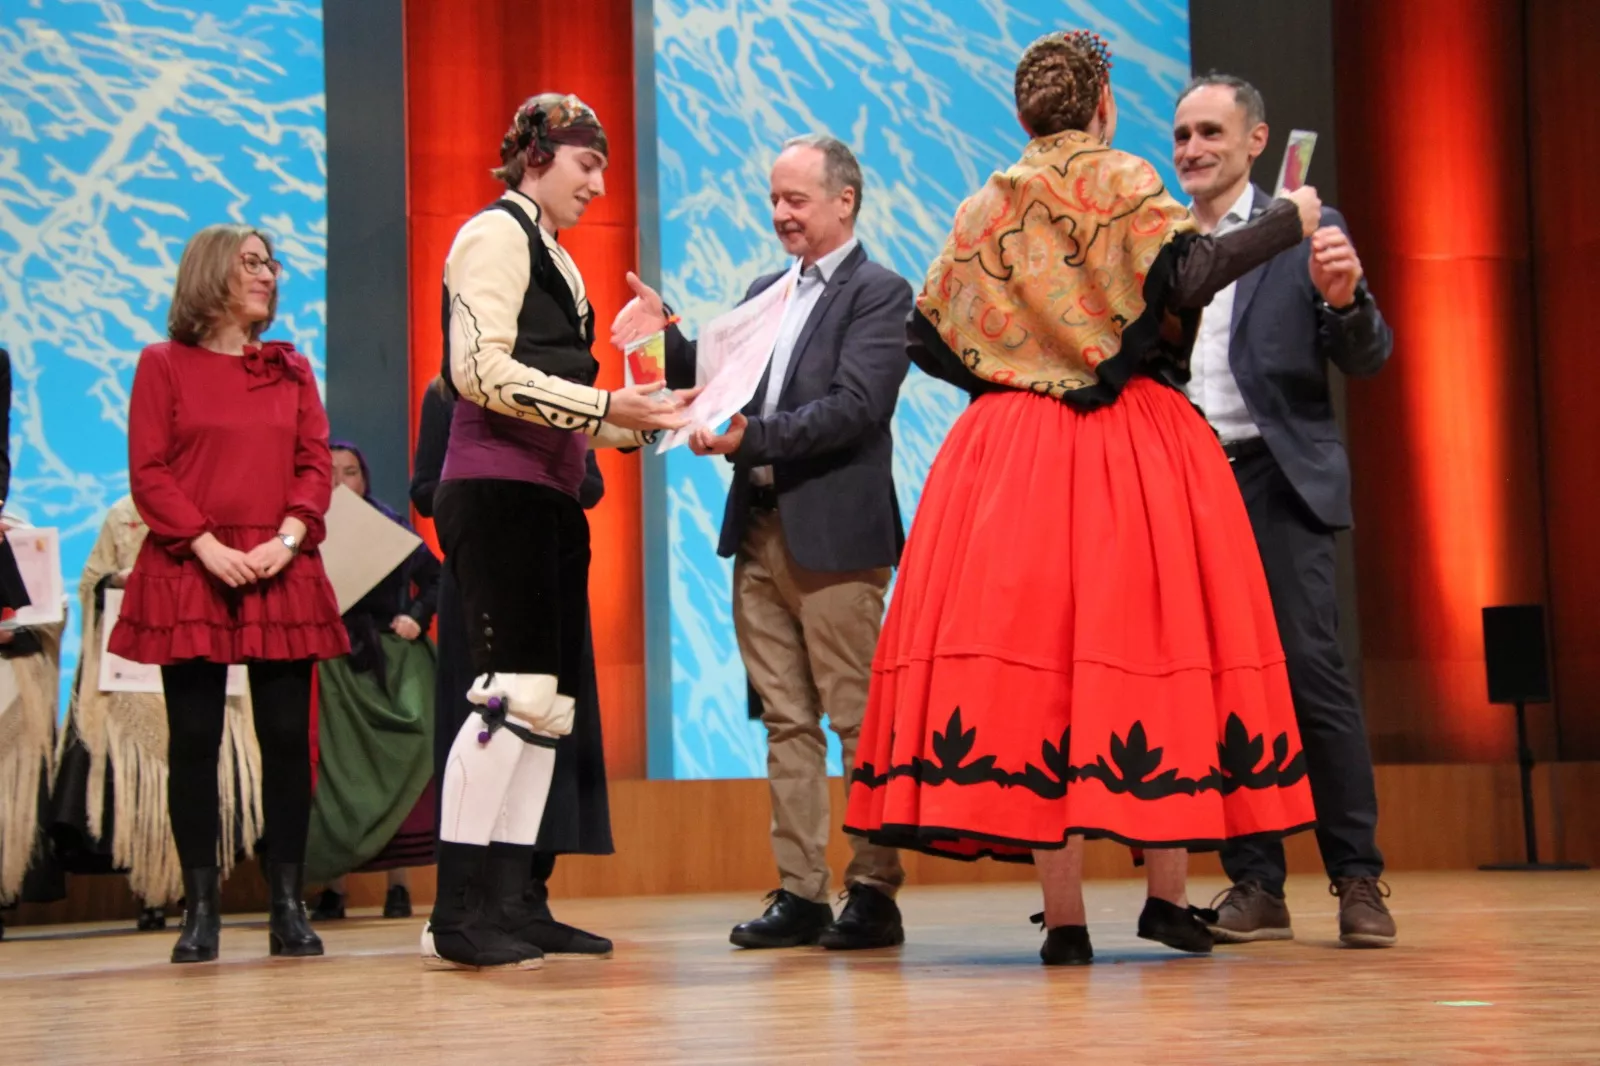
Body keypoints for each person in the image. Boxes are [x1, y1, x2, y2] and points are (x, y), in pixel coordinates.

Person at [839, 30, 1321, 966]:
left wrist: (1021, 362)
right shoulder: (1120, 177)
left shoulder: (988, 201)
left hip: (1011, 451)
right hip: (1131, 442)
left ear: (1024, 115)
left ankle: (1065, 924)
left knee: (1046, 677)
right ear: (1102, 106)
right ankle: (1166, 900)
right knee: (1155, 641)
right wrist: (1286, 221)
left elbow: (930, 334)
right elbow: (1184, 274)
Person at [613, 134, 913, 951]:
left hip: (836, 536)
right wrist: (657, 332)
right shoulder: (764, 291)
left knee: (855, 719)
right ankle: (802, 892)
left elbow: (857, 406)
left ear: (844, 201)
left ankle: (873, 890)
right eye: (774, 198)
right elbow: (714, 377)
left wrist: (750, 435)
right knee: (785, 720)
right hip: (760, 528)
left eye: (796, 199)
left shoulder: (880, 294)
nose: (780, 212)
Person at [424, 92, 692, 971]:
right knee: (510, 696)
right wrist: (610, 402)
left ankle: (511, 901)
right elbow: (476, 371)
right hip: (496, 493)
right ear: (537, 156)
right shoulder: (494, 234)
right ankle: (456, 912)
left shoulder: (558, 259)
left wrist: (653, 381)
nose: (601, 183)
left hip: (542, 493)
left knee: (544, 705)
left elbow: (593, 414)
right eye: (588, 163)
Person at [1172, 74, 1396, 948]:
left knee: (1312, 677)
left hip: (1279, 481)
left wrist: (1346, 301)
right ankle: (1256, 884)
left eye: (1211, 134)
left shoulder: (1308, 224)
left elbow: (1367, 356)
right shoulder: (1163, 243)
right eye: (1184, 134)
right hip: (1191, 486)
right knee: (1221, 687)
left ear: (1256, 142)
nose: (1192, 149)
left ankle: (1358, 877)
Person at [111, 223, 349, 964]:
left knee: (286, 742)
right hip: (192, 566)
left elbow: (315, 466)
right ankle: (201, 908)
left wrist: (283, 541)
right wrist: (209, 546)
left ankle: (286, 904)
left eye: (271, 263)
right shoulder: (163, 364)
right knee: (194, 743)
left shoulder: (291, 370)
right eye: (251, 262)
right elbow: (149, 471)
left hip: (280, 564)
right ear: (210, 272)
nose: (267, 274)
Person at [412, 375, 615, 958]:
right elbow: (426, 487)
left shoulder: (567, 391)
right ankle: (463, 908)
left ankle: (523, 900)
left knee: (548, 726)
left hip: (551, 559)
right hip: (487, 569)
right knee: (494, 721)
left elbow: (593, 481)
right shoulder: (452, 391)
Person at [50, 494, 263, 931]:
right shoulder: (124, 513)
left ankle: (197, 892)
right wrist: (118, 581)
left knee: (206, 772)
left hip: (206, 651)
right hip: (138, 672)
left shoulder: (221, 507)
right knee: (138, 789)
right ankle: (148, 891)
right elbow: (91, 580)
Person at [303, 442, 440, 919]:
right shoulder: (302, 533)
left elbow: (437, 578)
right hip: (331, 667)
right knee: (339, 775)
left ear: (365, 478)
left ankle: (398, 887)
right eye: (331, 473)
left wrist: (416, 616)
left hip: (387, 662)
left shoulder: (391, 528)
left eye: (352, 472)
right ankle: (334, 888)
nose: (342, 482)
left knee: (402, 764)